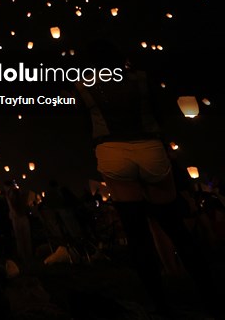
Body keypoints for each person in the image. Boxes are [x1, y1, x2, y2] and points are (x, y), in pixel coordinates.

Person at [76, 40, 216, 315]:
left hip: (111, 150)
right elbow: (158, 114)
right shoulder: (141, 79)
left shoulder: (83, 86)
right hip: (149, 147)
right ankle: (209, 295)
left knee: (136, 232)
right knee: (174, 226)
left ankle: (160, 304)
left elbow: (86, 125)